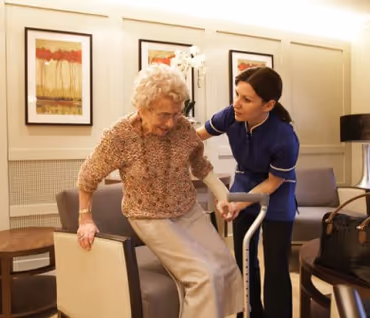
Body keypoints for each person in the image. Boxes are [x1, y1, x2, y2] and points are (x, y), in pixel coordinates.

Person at [75, 63, 244, 318]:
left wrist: (224, 196)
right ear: (142, 108)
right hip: (149, 216)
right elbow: (88, 176)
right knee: (203, 275)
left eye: (176, 113)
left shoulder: (183, 128)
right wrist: (85, 218)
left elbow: (200, 164)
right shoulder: (119, 137)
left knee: (227, 266)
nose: (171, 122)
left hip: (188, 210)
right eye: (164, 115)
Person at [197, 66, 300, 318]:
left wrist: (237, 204)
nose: (237, 104)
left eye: (246, 99)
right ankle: (251, 312)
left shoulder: (285, 136)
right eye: (236, 95)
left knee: (276, 264)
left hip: (277, 189)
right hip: (245, 180)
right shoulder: (231, 116)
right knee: (244, 258)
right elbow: (195, 137)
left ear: (268, 104)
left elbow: (273, 183)